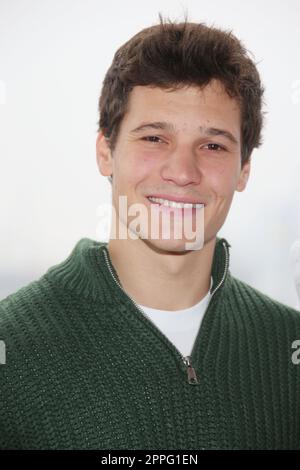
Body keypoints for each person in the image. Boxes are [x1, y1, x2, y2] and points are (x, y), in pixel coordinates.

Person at [1, 14, 300, 451]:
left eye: (213, 145)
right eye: (154, 138)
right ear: (106, 151)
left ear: (244, 170)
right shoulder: (11, 347)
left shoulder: (288, 347)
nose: (182, 172)